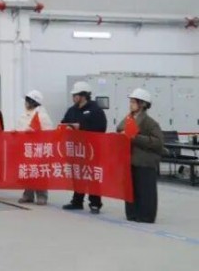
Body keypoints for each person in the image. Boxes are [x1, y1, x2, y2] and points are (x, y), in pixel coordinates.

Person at [118, 88, 164, 224]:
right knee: (131, 190)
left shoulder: (150, 122)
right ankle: (132, 213)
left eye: (133, 102)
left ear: (142, 104)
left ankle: (146, 216)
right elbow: (120, 128)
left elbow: (158, 142)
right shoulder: (129, 119)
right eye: (131, 102)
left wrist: (135, 137)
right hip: (130, 160)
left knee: (146, 191)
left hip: (145, 161)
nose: (131, 104)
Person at [61, 81, 107, 214]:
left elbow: (100, 128)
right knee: (78, 175)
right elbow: (64, 122)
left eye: (75, 95)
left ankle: (95, 203)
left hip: (91, 150)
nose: (73, 97)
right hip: (76, 149)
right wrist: (66, 127)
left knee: (91, 176)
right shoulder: (72, 110)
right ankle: (77, 201)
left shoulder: (95, 110)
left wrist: (80, 127)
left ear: (83, 95)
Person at [16, 90, 53, 205]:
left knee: (39, 172)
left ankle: (42, 196)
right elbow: (20, 129)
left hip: (38, 149)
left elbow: (49, 133)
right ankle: (28, 194)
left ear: (33, 102)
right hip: (26, 148)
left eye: (27, 100)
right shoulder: (23, 115)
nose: (25, 103)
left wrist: (35, 133)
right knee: (28, 171)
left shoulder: (42, 116)